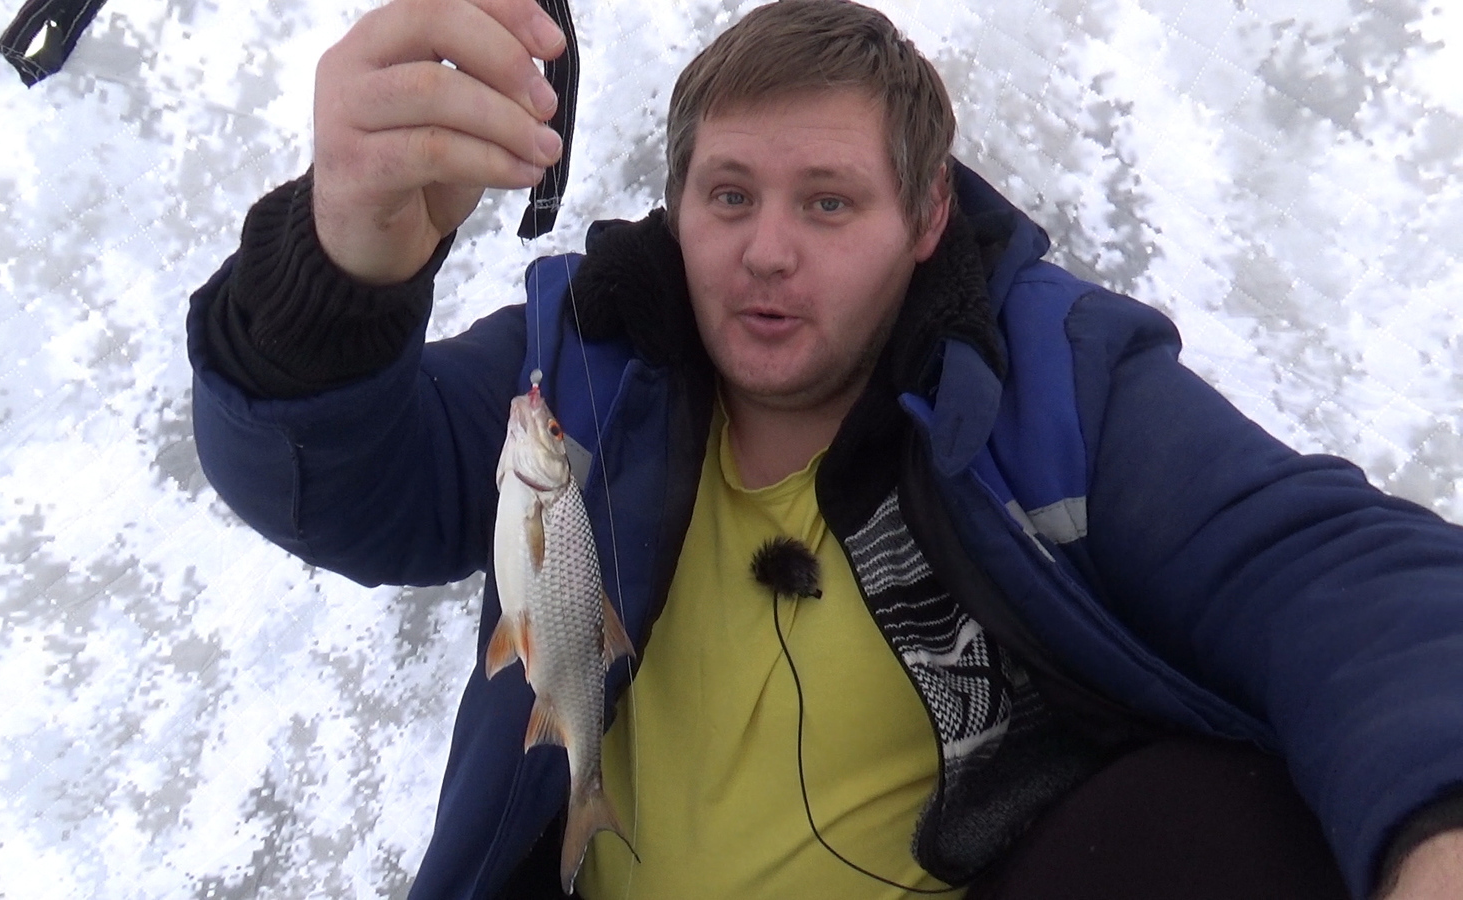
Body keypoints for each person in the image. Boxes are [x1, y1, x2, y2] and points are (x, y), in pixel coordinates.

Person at [186, 0, 1463, 897]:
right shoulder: (582, 359)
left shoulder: (1048, 385)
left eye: (830, 201)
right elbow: (347, 490)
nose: (768, 250)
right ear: (677, 203)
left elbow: (1328, 575)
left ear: (927, 219)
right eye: (729, 195)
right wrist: (338, 273)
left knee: (1219, 823)